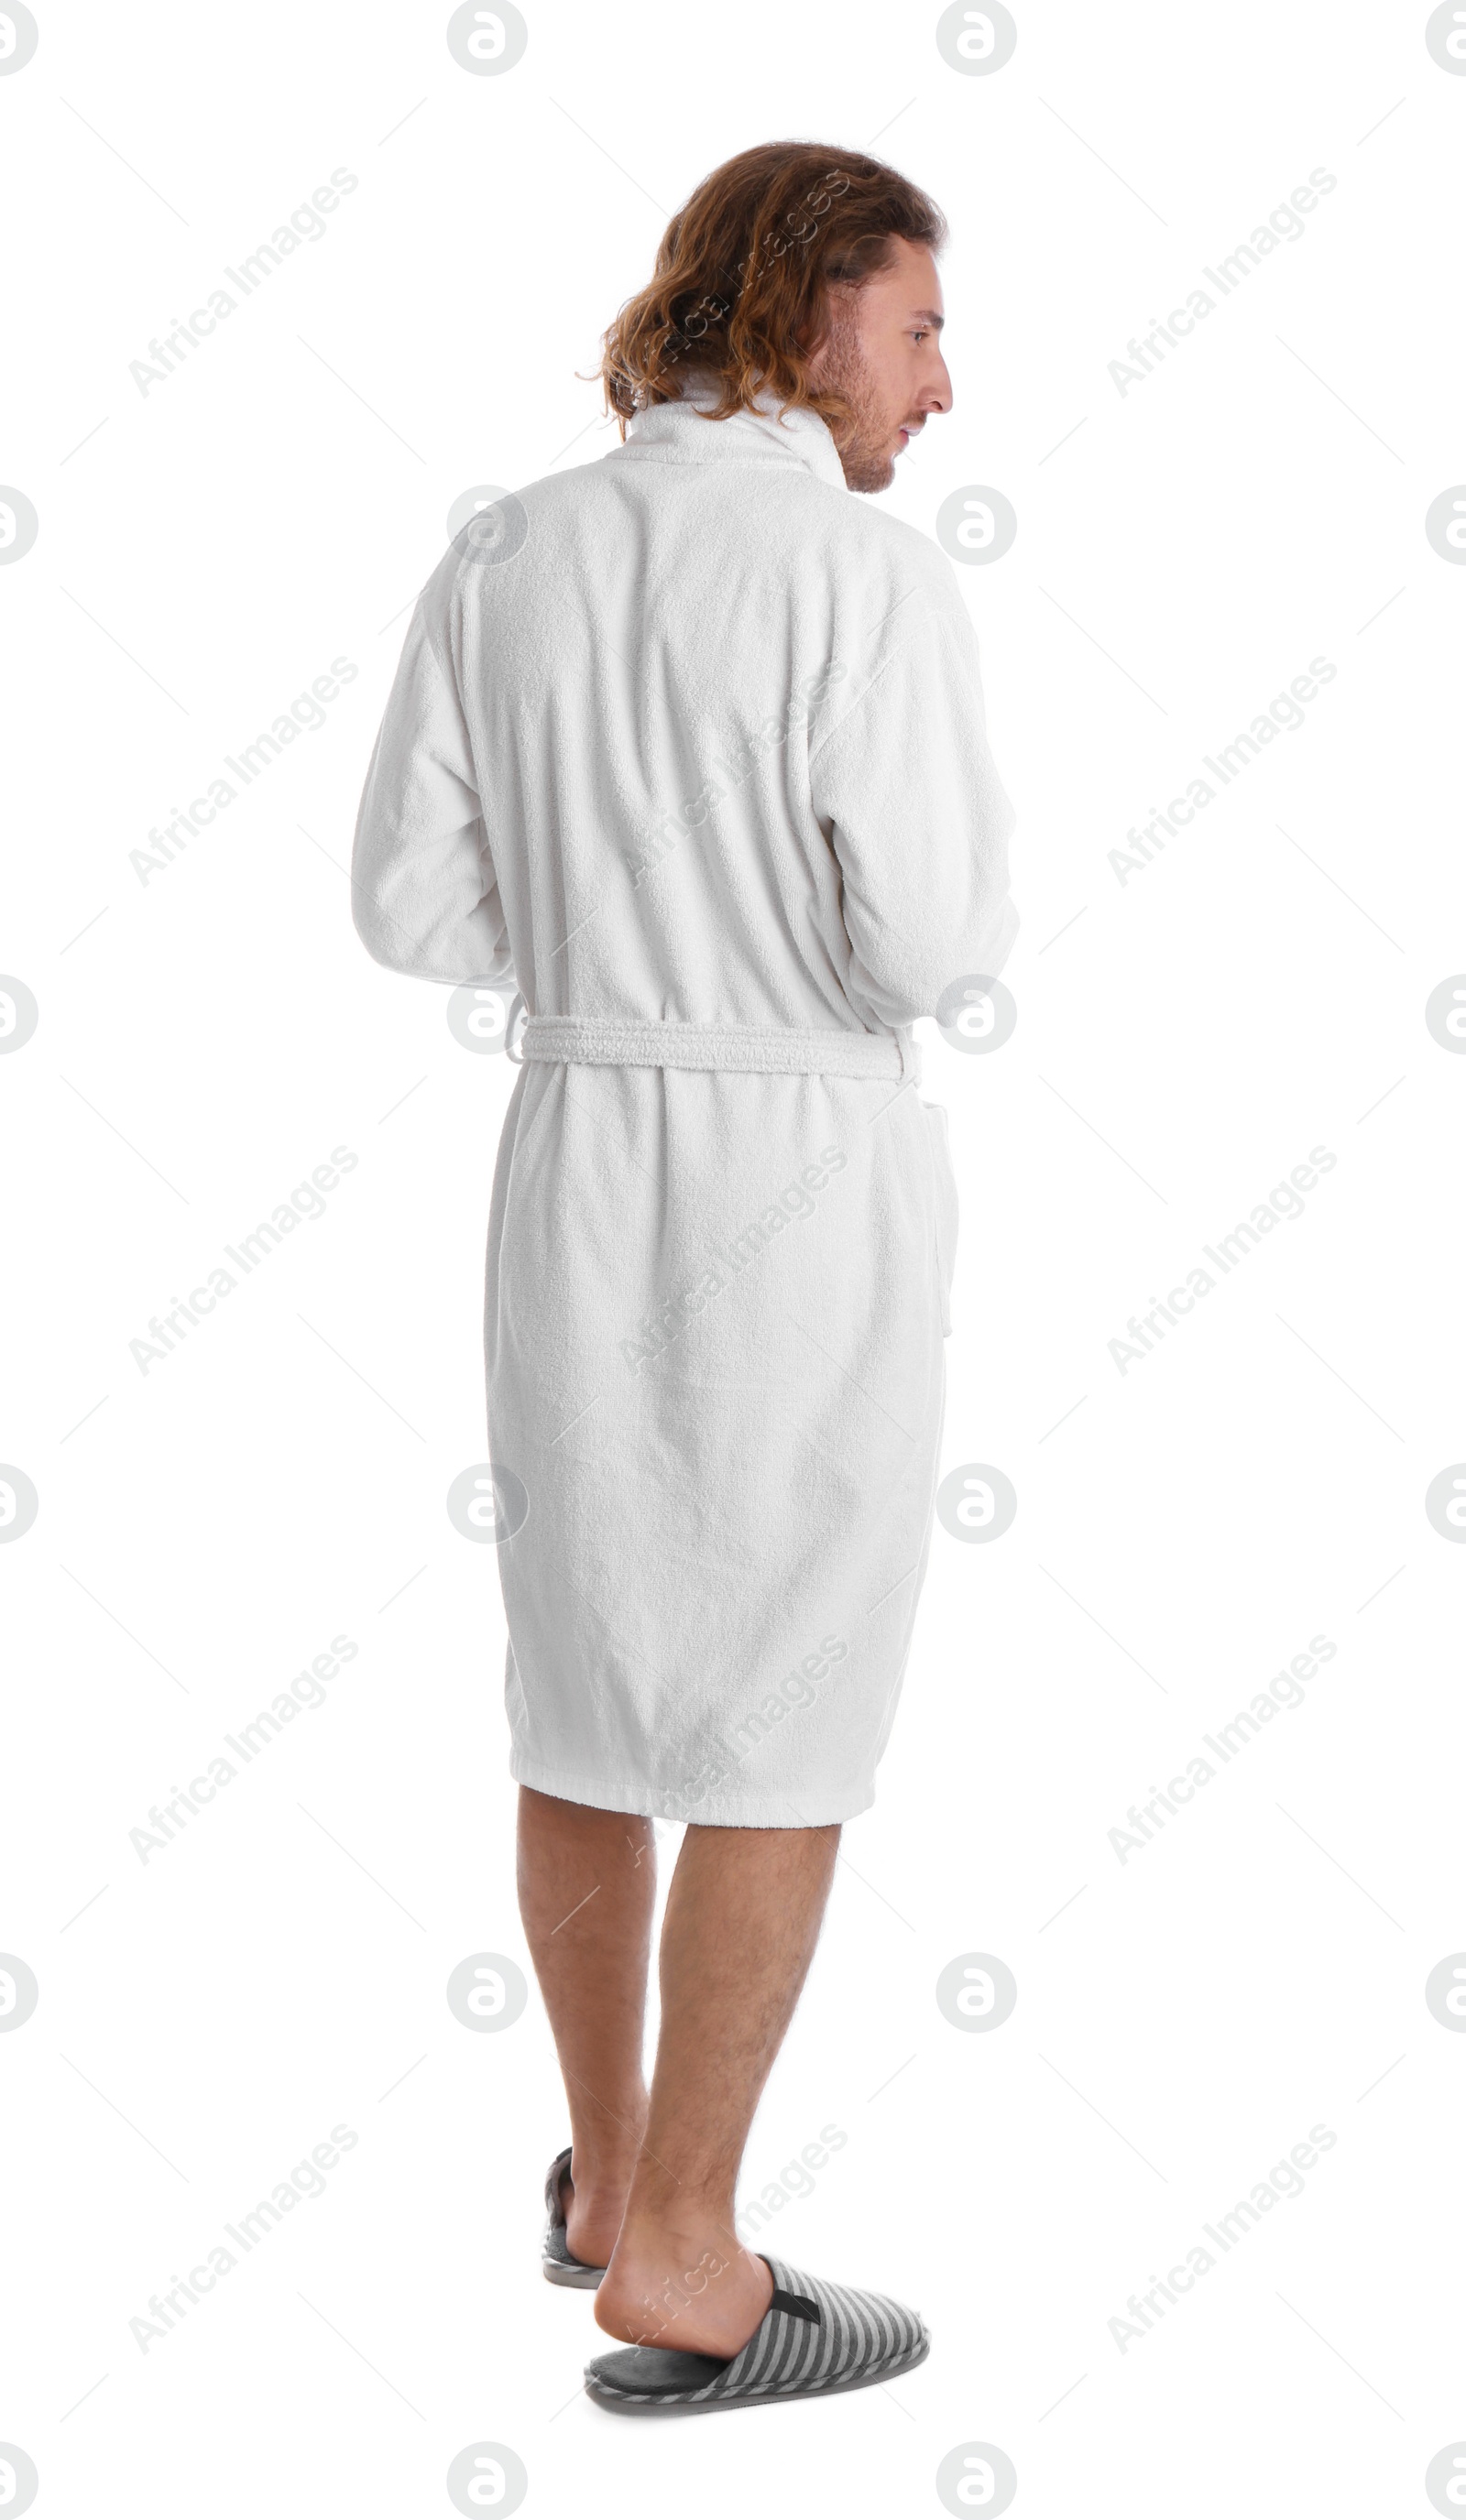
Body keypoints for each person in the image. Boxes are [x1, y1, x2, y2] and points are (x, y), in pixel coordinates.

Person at [351, 138, 1016, 2415]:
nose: (941, 386)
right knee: (781, 1691)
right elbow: (933, 941)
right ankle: (689, 2251)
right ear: (810, 308)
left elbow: (411, 915)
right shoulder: (857, 576)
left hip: (570, 1138)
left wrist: (617, 933)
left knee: (584, 1670)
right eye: (916, 328)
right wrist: (758, 947)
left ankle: (602, 2173)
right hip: (792, 1143)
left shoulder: (508, 547)